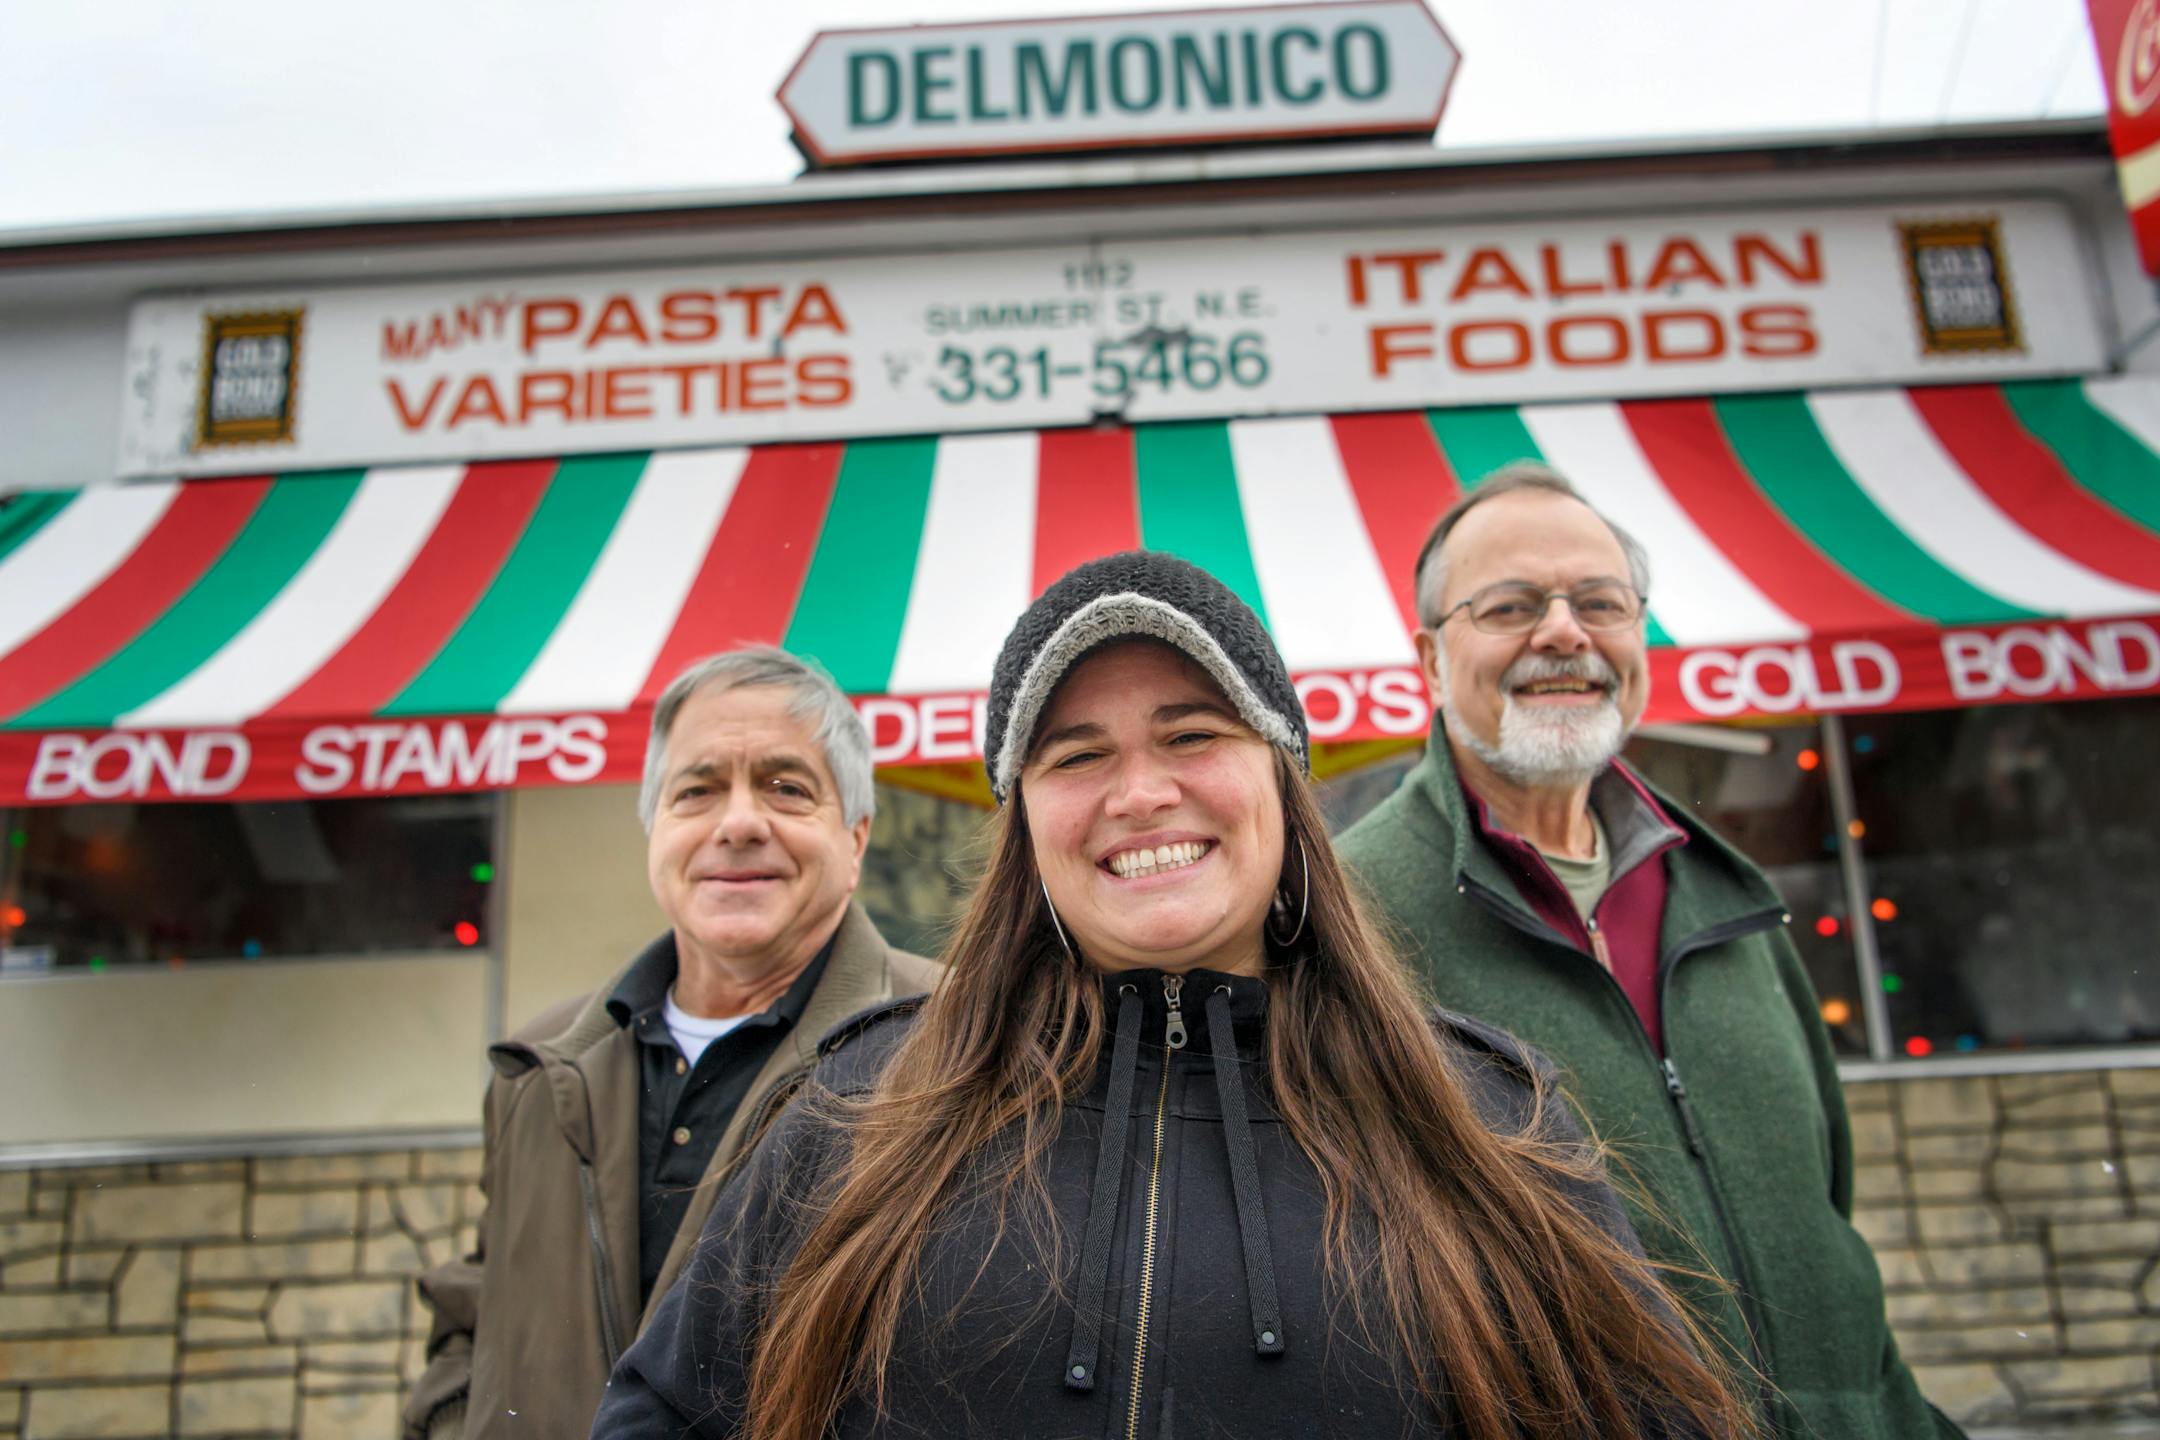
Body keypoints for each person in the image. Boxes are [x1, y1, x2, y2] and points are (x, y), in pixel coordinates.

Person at [594, 552, 1751, 1440]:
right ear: (1025, 826)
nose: (1142, 792)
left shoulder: (1491, 1118)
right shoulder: (854, 1113)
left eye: (1192, 733)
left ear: (1281, 784)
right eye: (1077, 753)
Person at [1337, 464, 1961, 1439]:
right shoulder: (1351, 918)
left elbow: (1828, 1225)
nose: (1563, 632)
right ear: (1428, 657)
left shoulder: (1727, 894)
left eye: (1600, 602)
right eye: (1510, 605)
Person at [403, 647, 941, 1440]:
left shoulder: (958, 1044)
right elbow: (479, 1313)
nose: (739, 822)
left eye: (787, 787)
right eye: (698, 790)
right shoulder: (539, 1063)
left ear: (855, 838)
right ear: (656, 828)